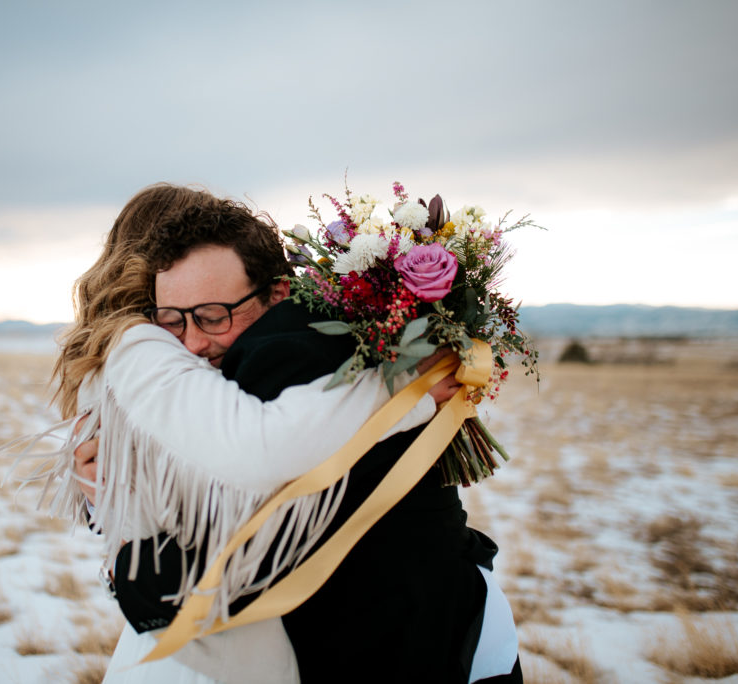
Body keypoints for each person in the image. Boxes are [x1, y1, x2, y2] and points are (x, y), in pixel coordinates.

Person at [79, 186, 523, 683]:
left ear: (278, 292)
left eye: (212, 316)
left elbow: (260, 504)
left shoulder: (285, 355)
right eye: (172, 320)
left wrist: (128, 570)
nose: (193, 342)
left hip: (415, 636)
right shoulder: (185, 362)